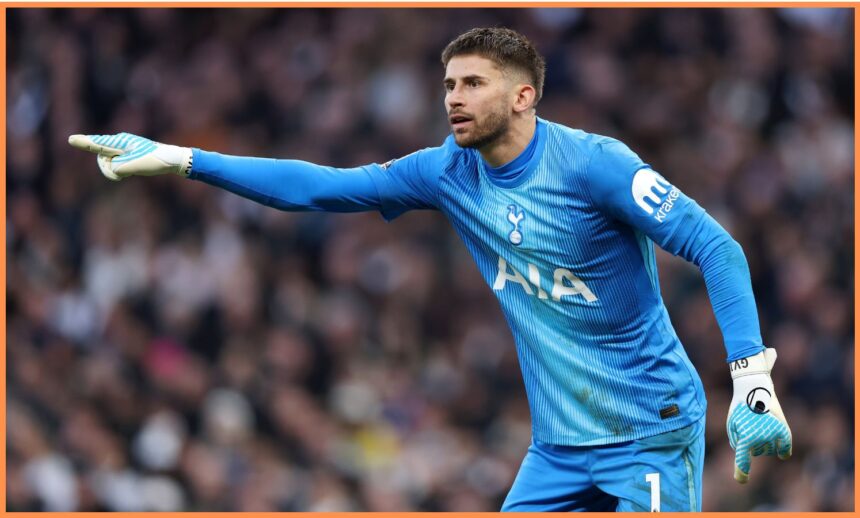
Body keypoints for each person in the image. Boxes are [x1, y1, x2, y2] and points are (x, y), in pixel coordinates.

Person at [69, 27, 791, 512]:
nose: (453, 98)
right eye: (449, 84)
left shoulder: (594, 166)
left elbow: (718, 248)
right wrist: (184, 158)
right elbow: (321, 187)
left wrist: (751, 380)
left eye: (473, 83)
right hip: (559, 447)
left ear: (523, 96)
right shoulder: (447, 172)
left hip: (648, 431)